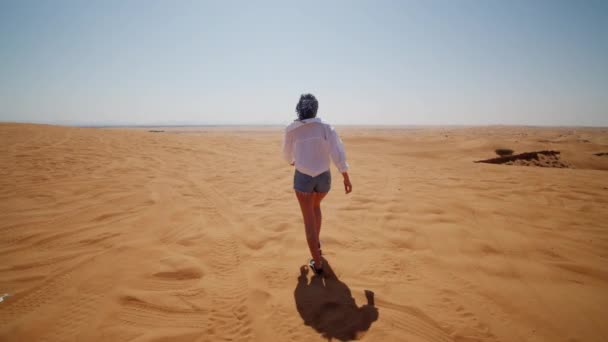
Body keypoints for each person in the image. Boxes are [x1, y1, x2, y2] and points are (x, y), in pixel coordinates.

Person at [282, 93, 352, 275]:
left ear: (299, 109)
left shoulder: (292, 129)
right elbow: (338, 152)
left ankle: (318, 264)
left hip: (303, 178)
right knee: (316, 206)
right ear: (315, 108)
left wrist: (292, 161)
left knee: (308, 221)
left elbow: (286, 155)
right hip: (323, 178)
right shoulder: (326, 127)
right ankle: (316, 245)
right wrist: (345, 176)